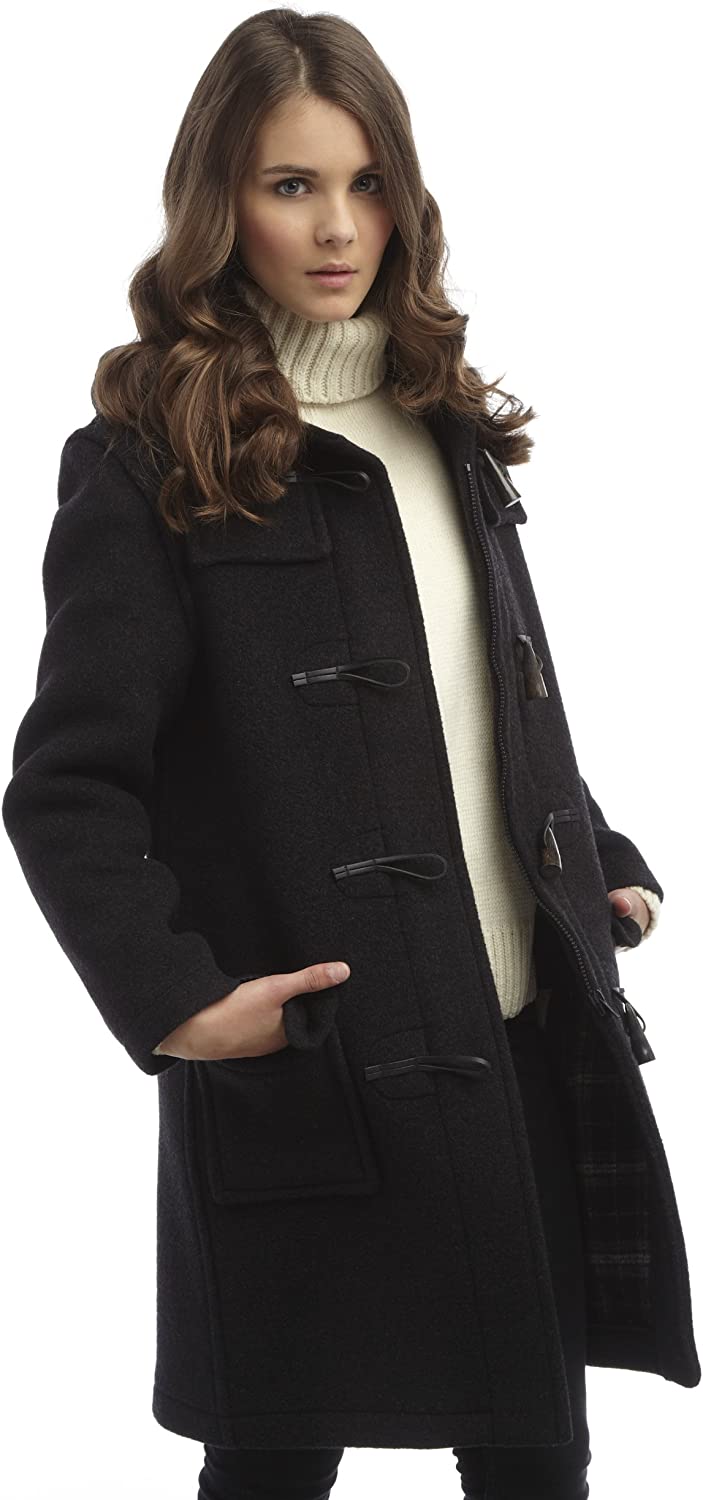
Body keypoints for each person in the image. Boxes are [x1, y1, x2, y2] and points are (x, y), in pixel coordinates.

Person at [4, 10, 698, 1500]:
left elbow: (494, 698)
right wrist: (178, 1004)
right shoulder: (148, 456)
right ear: (220, 202)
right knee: (271, 1471)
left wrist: (595, 855)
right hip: (314, 1064)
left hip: (512, 1046)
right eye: (291, 185)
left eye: (368, 183)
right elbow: (69, 784)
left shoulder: (444, 428)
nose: (338, 228)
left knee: (538, 1468)